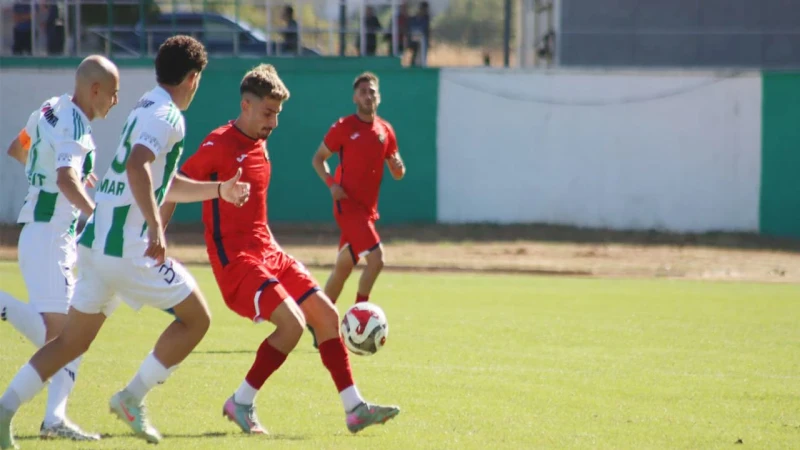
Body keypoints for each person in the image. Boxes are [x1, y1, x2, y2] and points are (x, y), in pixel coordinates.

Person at [0, 35, 251, 450]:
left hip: (94, 245)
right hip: (125, 249)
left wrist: (218, 190)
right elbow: (138, 167)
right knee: (198, 319)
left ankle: (5, 410)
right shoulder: (169, 115)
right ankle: (131, 397)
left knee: (68, 343)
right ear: (192, 78)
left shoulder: (145, 104)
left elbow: (158, 181)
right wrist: (154, 226)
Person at [177, 63, 400, 435]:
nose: (274, 122)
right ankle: (242, 402)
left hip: (269, 252)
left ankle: (354, 409)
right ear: (245, 105)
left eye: (278, 114)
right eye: (268, 113)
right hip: (237, 259)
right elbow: (176, 183)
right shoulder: (218, 143)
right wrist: (157, 232)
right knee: (293, 326)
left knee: (327, 318)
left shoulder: (260, 143)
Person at [0, 55, 119, 443]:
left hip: (45, 234)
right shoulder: (77, 128)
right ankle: (51, 418)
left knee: (69, 337)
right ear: (95, 89)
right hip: (51, 237)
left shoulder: (49, 108)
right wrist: (96, 213)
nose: (115, 102)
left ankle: (54, 418)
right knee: (66, 337)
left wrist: (61, 180)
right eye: (113, 94)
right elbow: (67, 179)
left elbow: (18, 150)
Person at [309, 72, 405, 346]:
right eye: (363, 91)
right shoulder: (343, 127)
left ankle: (317, 322)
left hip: (367, 210)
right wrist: (331, 184)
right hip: (347, 206)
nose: (368, 95)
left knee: (343, 268)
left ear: (379, 96)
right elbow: (318, 159)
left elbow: (397, 170)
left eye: (372, 91)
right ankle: (361, 316)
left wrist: (399, 168)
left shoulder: (385, 130)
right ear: (355, 97)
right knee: (377, 259)